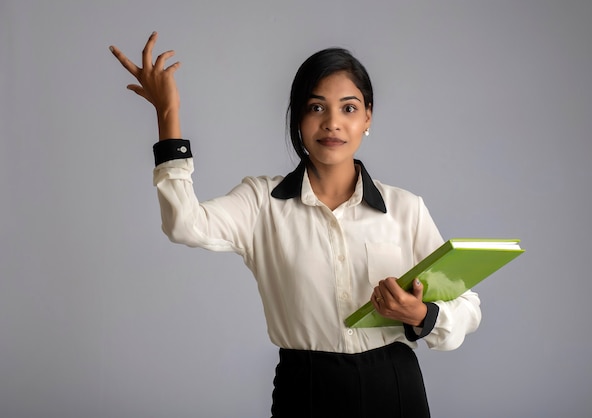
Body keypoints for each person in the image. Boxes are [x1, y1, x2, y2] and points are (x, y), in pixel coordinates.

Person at [110, 32, 481, 418]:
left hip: (395, 387)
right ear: (298, 117)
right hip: (306, 389)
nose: (332, 123)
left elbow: (467, 306)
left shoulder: (405, 208)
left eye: (349, 108)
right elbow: (184, 224)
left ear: (368, 117)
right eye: (316, 107)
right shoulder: (260, 203)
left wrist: (420, 315)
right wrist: (168, 115)